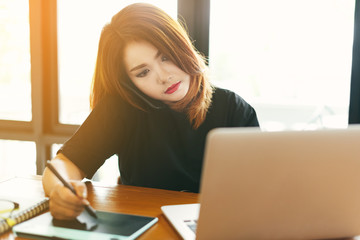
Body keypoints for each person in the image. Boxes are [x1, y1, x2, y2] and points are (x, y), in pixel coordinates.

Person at [42, 3, 259, 220]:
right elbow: (64, 164)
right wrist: (61, 192)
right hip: (144, 225)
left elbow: (260, 186)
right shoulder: (124, 108)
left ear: (181, 44)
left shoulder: (233, 109)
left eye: (165, 57)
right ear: (129, 83)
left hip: (215, 225)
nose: (163, 76)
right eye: (143, 72)